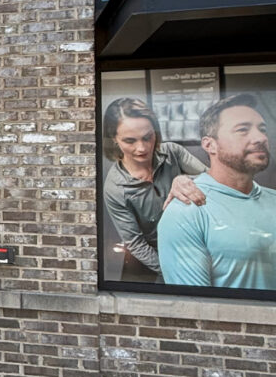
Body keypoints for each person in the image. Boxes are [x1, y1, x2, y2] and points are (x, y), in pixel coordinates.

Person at [159, 94, 276, 289]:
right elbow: (196, 308)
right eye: (243, 130)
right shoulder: (186, 211)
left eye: (262, 129)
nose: (260, 138)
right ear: (209, 145)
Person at [102, 97, 207, 281]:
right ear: (114, 140)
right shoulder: (115, 188)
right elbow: (135, 243)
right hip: (146, 262)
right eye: (130, 141)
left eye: (147, 137)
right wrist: (171, 269)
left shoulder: (173, 152)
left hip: (190, 247)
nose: (142, 148)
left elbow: (214, 180)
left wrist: (184, 179)